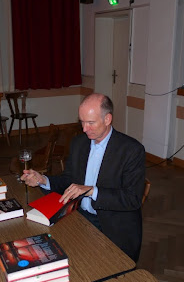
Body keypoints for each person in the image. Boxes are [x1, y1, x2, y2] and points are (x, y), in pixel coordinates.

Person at [21, 93, 146, 262]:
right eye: (82, 122)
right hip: (79, 217)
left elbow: (132, 199)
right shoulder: (79, 143)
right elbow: (69, 181)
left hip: (114, 227)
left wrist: (92, 191)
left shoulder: (131, 150)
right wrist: (44, 180)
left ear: (108, 119)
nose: (85, 128)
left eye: (91, 123)